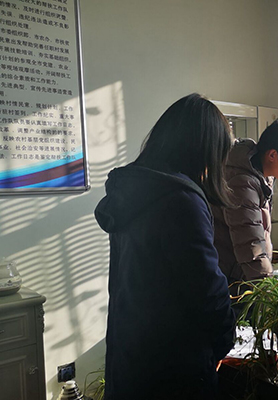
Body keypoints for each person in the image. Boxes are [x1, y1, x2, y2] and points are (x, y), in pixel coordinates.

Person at [94, 94, 236, 399]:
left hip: (130, 353)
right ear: (203, 150)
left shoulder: (134, 192)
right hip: (173, 365)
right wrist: (225, 339)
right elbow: (206, 288)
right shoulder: (181, 200)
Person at [213, 117, 278, 297]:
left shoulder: (261, 175)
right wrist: (270, 294)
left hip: (240, 278)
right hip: (231, 283)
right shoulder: (243, 183)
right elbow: (251, 246)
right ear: (272, 155)